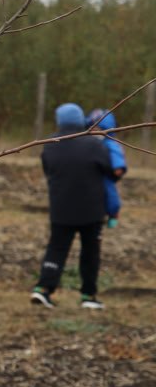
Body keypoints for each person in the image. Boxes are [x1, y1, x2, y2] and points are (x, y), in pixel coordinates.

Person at [31, 103, 116, 310]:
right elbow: (109, 170)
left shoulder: (50, 144)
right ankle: (88, 295)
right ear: (80, 120)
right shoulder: (94, 145)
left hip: (61, 209)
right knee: (90, 252)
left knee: (57, 248)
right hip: (92, 210)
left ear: (59, 121)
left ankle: (43, 289)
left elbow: (47, 169)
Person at [86, 108, 127, 228]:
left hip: (106, 176)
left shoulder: (110, 143)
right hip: (94, 177)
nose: (93, 131)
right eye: (91, 128)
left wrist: (117, 167)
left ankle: (113, 215)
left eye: (96, 129)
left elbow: (117, 157)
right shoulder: (92, 143)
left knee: (110, 196)